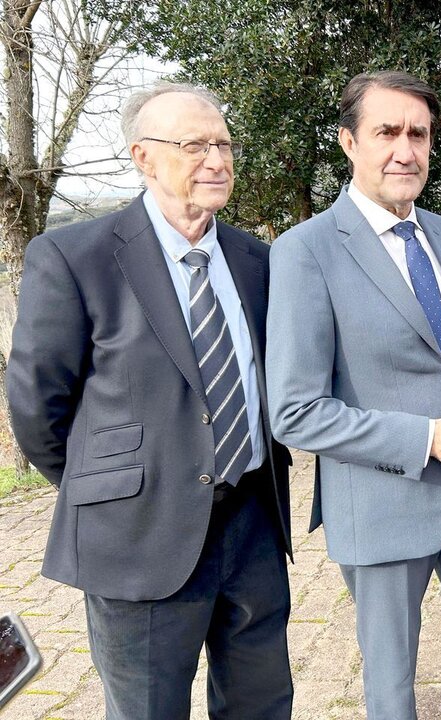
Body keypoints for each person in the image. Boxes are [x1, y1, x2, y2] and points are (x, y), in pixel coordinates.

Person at [6, 83, 293, 719]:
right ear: (143, 157)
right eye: (195, 145)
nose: (217, 160)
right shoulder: (75, 256)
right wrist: (112, 486)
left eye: (223, 144)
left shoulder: (257, 260)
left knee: (262, 704)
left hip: (251, 524)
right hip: (139, 535)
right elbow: (37, 407)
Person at [266, 71, 441, 720]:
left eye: (419, 133)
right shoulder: (306, 251)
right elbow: (295, 411)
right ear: (349, 143)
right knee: (391, 679)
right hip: (380, 497)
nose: (405, 150)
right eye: (387, 131)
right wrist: (431, 437)